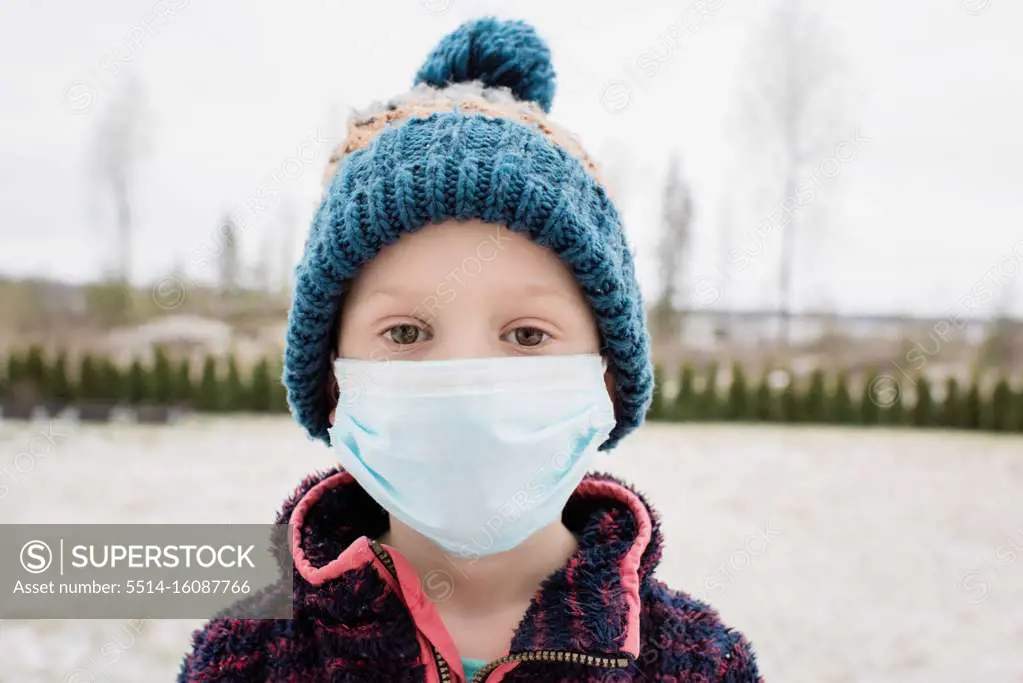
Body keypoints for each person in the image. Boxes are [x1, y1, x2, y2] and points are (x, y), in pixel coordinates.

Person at [178, 16, 762, 682]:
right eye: (404, 332)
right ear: (332, 382)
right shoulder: (248, 656)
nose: (465, 381)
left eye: (526, 335)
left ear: (607, 378)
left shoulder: (697, 663)